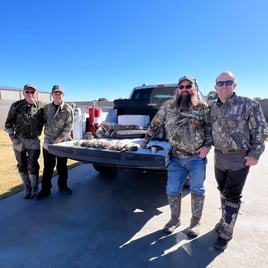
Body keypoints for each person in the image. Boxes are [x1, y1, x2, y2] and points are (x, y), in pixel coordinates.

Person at [141, 76, 212, 237]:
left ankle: (195, 223)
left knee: (197, 190)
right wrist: (145, 141)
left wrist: (207, 146)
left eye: (188, 86)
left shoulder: (202, 108)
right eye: (182, 86)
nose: (185, 89)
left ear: (193, 88)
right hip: (175, 158)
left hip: (196, 158)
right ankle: (174, 219)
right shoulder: (168, 106)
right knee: (172, 189)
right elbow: (155, 124)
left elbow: (209, 129)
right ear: (178, 90)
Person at [210, 71, 267, 250]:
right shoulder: (212, 106)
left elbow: (260, 129)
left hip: (239, 158)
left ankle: (227, 231)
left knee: (233, 194)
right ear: (216, 87)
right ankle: (224, 218)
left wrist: (255, 153)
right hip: (219, 156)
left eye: (228, 82)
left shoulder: (248, 104)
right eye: (221, 83)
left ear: (234, 85)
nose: (224, 85)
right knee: (222, 190)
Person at [5, 84, 44, 199]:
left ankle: (35, 189)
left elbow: (48, 121)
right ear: (23, 93)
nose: (30, 94)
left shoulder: (42, 107)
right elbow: (8, 123)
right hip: (19, 140)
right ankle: (27, 188)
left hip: (34, 141)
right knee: (22, 165)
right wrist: (13, 137)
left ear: (36, 94)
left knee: (33, 165)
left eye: (33, 92)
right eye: (27, 92)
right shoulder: (16, 106)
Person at [37, 85, 73, 199]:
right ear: (51, 94)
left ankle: (63, 186)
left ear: (63, 95)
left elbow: (69, 126)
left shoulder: (68, 109)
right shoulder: (46, 108)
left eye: (60, 93)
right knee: (48, 167)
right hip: (48, 143)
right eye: (55, 93)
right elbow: (40, 122)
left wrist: (60, 139)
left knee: (62, 166)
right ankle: (45, 190)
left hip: (62, 143)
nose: (58, 95)